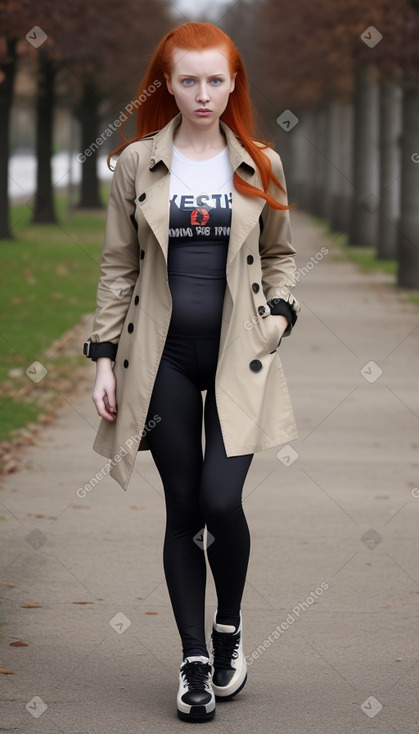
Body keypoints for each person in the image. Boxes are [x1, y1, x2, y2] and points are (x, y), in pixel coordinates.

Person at [83, 21, 301, 723]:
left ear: (232, 83)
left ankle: (229, 630)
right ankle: (194, 660)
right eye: (188, 80)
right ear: (166, 83)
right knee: (183, 508)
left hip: (239, 355)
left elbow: (280, 254)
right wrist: (103, 360)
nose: (202, 93)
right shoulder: (134, 163)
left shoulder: (260, 163)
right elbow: (119, 268)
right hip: (162, 359)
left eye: (215, 79)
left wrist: (279, 316)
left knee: (218, 501)